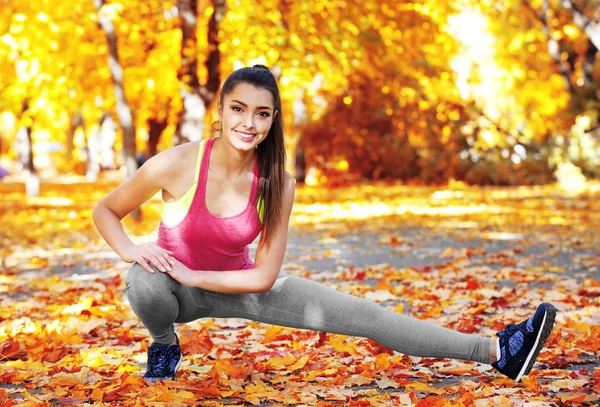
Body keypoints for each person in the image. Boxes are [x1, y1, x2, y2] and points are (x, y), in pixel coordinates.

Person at [92, 65, 556, 383]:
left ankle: (497, 352)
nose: (248, 123)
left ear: (273, 120)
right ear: (221, 109)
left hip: (238, 283)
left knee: (365, 315)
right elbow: (105, 211)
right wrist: (133, 250)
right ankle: (163, 343)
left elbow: (264, 276)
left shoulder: (278, 182)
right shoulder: (176, 163)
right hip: (171, 289)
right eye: (238, 108)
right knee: (144, 283)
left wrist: (199, 276)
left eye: (262, 113)